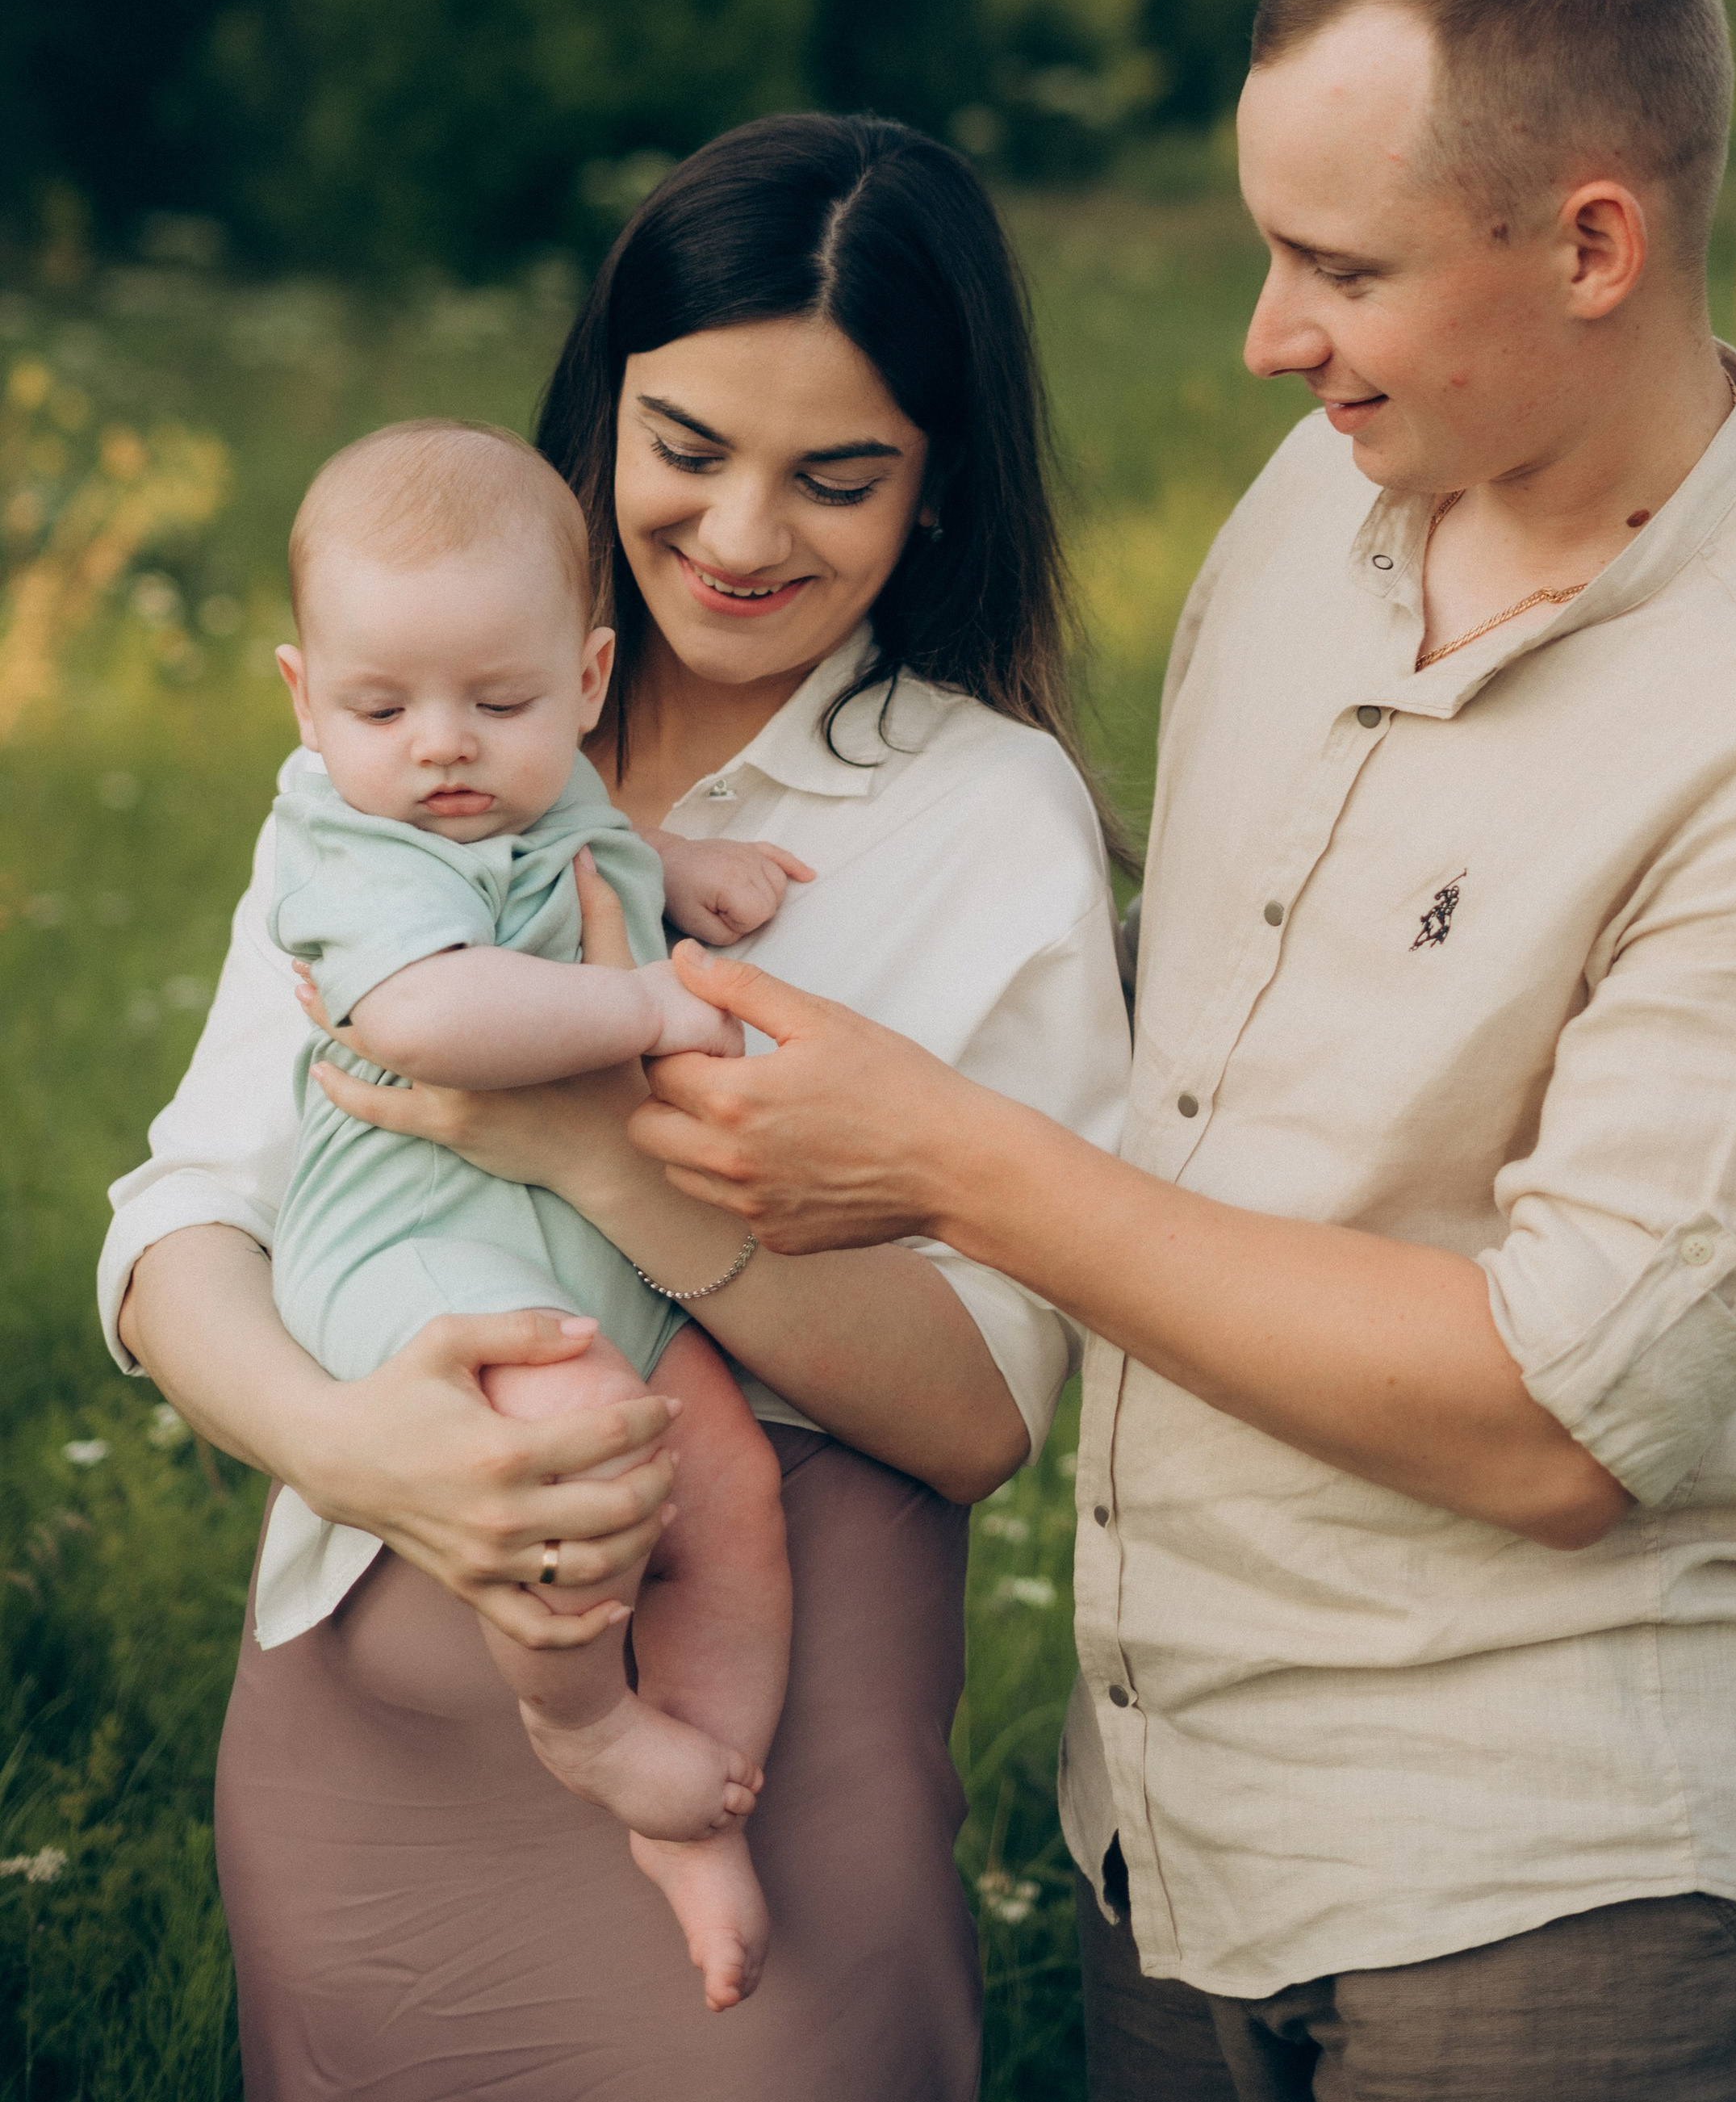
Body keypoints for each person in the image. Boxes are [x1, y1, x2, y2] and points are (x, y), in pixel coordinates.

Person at [617, 0, 1736, 2102]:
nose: (1271, 333)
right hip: (1168, 1847)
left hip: (1565, 1902)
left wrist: (948, 1163)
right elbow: (1184, 1057)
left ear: (1592, 242)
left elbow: (1563, 1421)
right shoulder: (1311, 514)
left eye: (1339, 267)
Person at [100, 114, 1133, 2102]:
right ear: (603, 417)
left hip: (761, 1733)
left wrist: (586, 1139)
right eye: (687, 449)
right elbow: (179, 1220)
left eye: (836, 476)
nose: (744, 534)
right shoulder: (395, 754)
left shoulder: (981, 819)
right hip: (359, 1722)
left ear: (935, 493)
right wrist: (356, 1447)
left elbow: (976, 1401)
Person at [267, 417, 800, 2009]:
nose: (443, 745)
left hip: (595, 1249)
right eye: (382, 706)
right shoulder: (347, 837)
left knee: (733, 1489)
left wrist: (674, 862)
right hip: (423, 1243)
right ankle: (588, 1722)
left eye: (496, 703)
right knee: (580, 1440)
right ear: (305, 700)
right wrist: (647, 997)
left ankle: (705, 1788)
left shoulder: (544, 788)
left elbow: (583, 828)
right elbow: (432, 1021)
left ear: (581, 681)